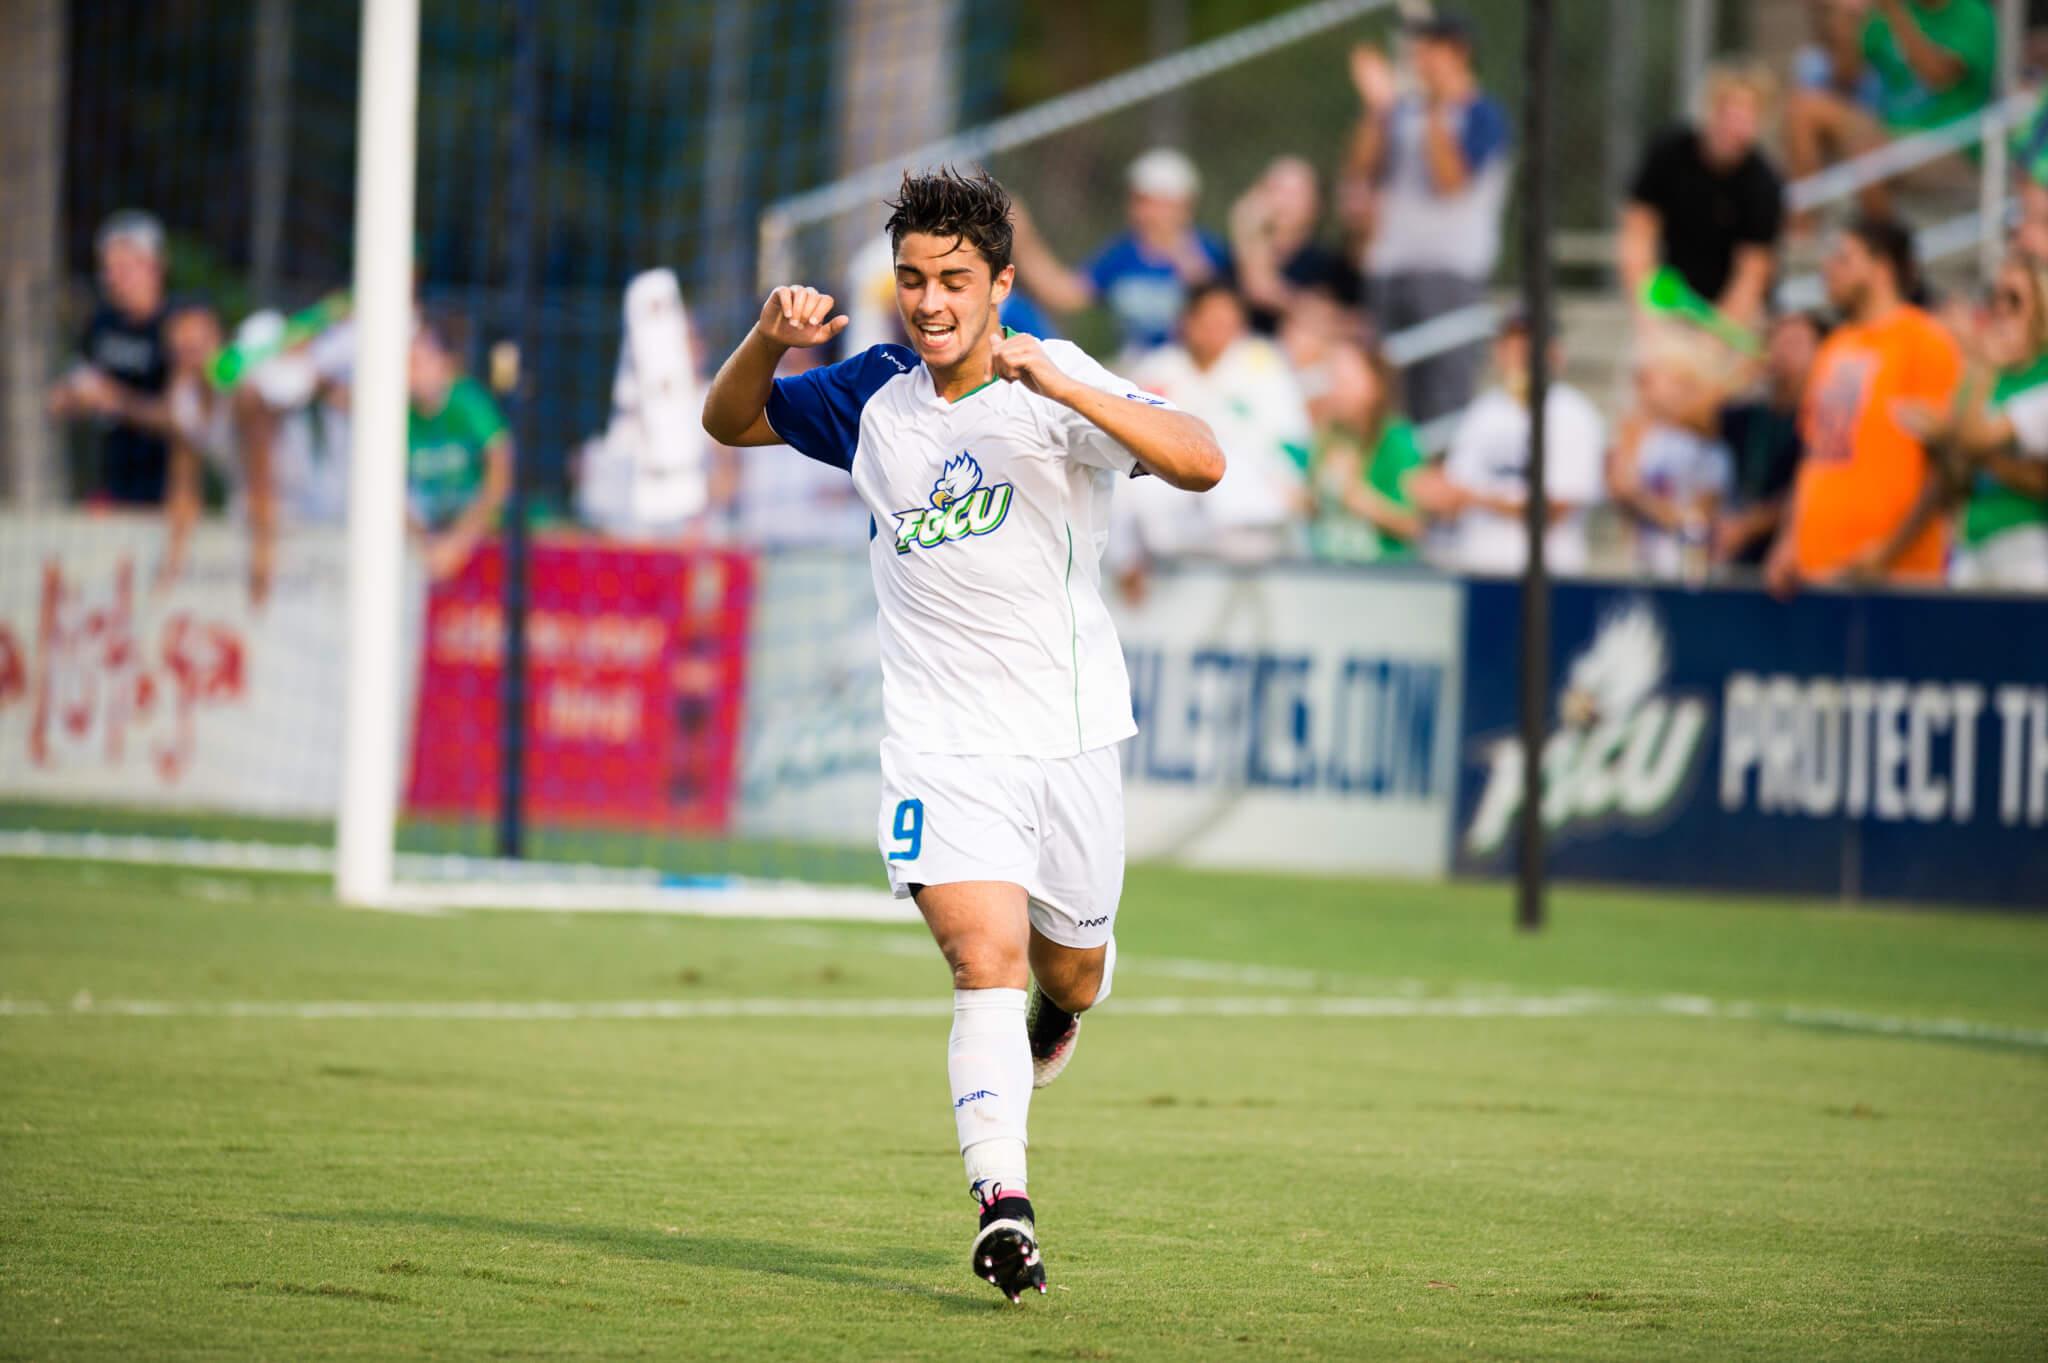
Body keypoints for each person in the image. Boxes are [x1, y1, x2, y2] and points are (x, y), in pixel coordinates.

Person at [699, 167, 1222, 1303]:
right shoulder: (875, 393)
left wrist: (1069, 390)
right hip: (939, 743)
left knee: (1069, 968)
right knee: (975, 959)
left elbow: (1198, 460)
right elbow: (730, 419)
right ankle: (1003, 1207)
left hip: (1069, 737)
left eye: (952, 281)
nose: (927, 302)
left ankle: (1064, 1007)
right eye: (910, 280)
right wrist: (765, 338)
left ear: (999, 283)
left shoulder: (1051, 375)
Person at [1766, 216, 1960, 594]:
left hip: (1897, 577)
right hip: (1817, 572)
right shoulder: (1836, 345)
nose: (1829, 268)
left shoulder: (1924, 341)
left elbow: (1945, 465)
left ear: (1881, 267)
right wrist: (1787, 541)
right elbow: (1814, 455)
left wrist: (1887, 551)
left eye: (1844, 258)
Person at [1343, 12, 1513, 422]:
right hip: (1391, 268)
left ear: (1459, 54)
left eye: (1429, 53)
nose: (1421, 63)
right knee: (1385, 398)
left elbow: (1449, 181)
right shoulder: (1401, 112)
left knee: (1443, 399)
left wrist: (1436, 107)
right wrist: (1377, 110)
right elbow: (1363, 169)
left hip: (1450, 273)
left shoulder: (1483, 115)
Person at [1125, 281, 1311, 567]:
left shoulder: (1263, 365)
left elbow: (1293, 442)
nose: (1217, 332)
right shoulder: (1158, 369)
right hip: (1169, 501)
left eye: (1227, 323)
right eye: (1209, 321)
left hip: (1249, 502)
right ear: (1187, 322)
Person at [1896, 254, 2048, 588]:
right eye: (1995, 298)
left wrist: (1949, 434)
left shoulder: (2042, 375)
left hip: (2028, 543)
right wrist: (1942, 445)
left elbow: (2036, 477)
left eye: (2014, 300)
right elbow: (1957, 479)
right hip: (1972, 542)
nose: (2000, 310)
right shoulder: (1978, 377)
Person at [1415, 313, 1607, 576]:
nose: (1517, 355)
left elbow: (1558, 505)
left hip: (1548, 575)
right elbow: (1455, 488)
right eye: (1510, 346)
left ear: (1553, 353)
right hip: (1479, 569)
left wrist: (1472, 498)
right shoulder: (1483, 411)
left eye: (1527, 346)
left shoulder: (1572, 413)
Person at [1784, 0, 1998, 227]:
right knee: (1802, 108)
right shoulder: (1893, 10)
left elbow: (1936, 75)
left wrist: (1895, 11)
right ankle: (1802, 230)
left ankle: (1884, 248)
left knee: (1867, 149)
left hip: (1952, 142)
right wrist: (1843, 18)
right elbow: (1847, 77)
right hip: (1890, 133)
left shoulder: (1972, 14)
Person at [1008, 148, 1230, 359]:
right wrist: (1022, 237)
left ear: (1183, 206)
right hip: (1139, 371)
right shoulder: (1123, 255)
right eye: (1138, 201)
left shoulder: (1211, 254)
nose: (1141, 212)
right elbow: (1064, 294)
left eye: (1151, 202)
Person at [1620, 66, 1786, 330]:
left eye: (1746, 117)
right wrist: (1646, 311)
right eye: (1728, 114)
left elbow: (1752, 273)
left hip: (1731, 315)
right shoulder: (1669, 153)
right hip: (1672, 299)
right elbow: (1638, 235)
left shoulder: (1764, 184)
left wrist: (1715, 334)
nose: (1734, 127)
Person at [46, 211, 177, 505]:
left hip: (167, 496)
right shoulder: (102, 324)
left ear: (155, 266)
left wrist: (119, 401)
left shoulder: (177, 327)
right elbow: (71, 391)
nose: (113, 279)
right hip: (111, 488)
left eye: (125, 268)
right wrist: (70, 398)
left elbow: (185, 417)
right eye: (108, 269)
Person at [1607, 328, 1739, 580]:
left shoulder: (1709, 446)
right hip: (1643, 567)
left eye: (1651, 378)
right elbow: (1620, 488)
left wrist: (1641, 499)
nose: (1642, 387)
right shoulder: (1639, 433)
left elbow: (1698, 522)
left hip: (1690, 574)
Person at [1715, 311, 1828, 569]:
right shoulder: (1752, 417)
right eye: (1777, 341)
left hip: (1803, 563)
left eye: (1795, 343)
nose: (1782, 351)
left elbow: (1810, 489)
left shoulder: (1826, 417)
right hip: (1747, 564)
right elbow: (1695, 413)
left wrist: (1749, 525)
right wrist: (1743, 372)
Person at [406, 314, 512, 582]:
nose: (408, 372)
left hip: (475, 534)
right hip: (425, 539)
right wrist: (425, 544)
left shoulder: (470, 402)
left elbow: (502, 471)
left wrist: (458, 543)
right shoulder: (396, 411)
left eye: (417, 362)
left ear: (446, 363)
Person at [1306, 334, 1427, 563]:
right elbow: (1314, 506)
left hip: (1382, 575)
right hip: (1329, 571)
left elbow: (1414, 524)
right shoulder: (1326, 436)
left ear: (1375, 383)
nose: (1338, 389)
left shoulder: (1398, 440)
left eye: (1346, 380)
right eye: (1334, 378)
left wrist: (1362, 501)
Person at [1228, 155, 1363, 334]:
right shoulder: (1234, 258)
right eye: (1275, 190)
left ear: (1316, 204)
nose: (1283, 202)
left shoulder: (1329, 265)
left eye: (1295, 193)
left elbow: (1261, 289)